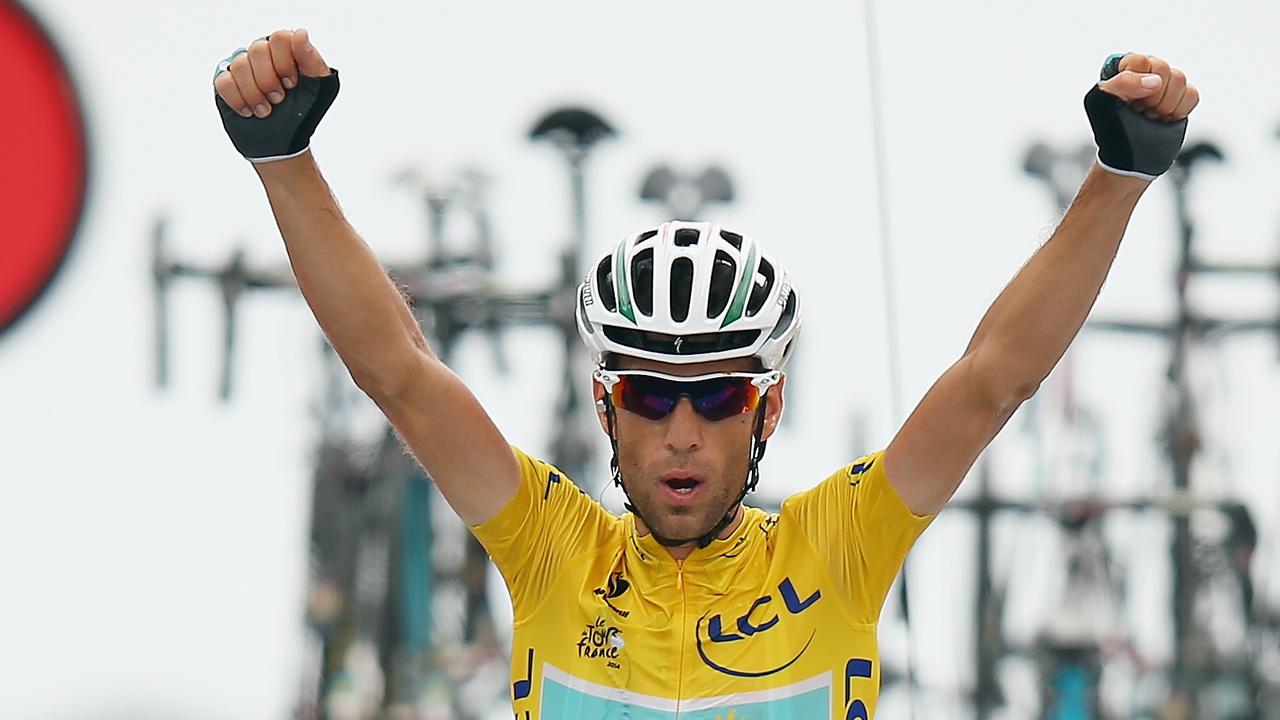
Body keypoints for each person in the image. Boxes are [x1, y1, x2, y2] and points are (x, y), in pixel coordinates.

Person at [212, 29, 1199, 719]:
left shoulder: (838, 549)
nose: (680, 431)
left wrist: (1116, 178)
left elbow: (992, 381)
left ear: (764, 407)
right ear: (606, 406)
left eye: (717, 394)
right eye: (648, 395)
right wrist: (282, 157)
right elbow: (400, 374)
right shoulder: (553, 551)